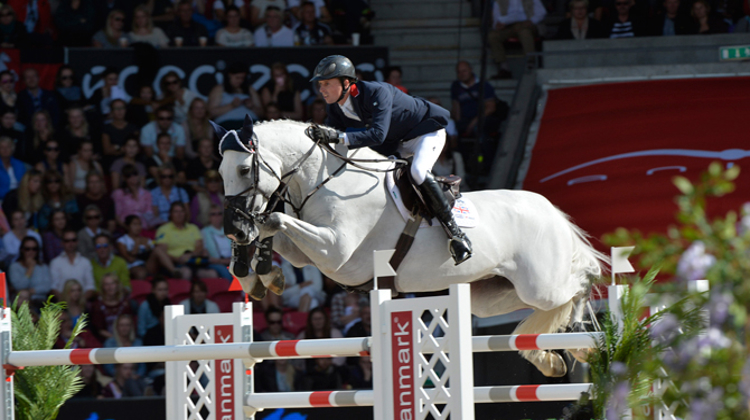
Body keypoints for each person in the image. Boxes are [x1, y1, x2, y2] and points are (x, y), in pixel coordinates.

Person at [308, 55, 472, 265]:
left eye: (327, 84)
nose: (322, 89)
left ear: (347, 82)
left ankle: (457, 235)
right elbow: (336, 141)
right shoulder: (334, 107)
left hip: (426, 132)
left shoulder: (376, 92)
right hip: (398, 143)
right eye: (320, 84)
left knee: (418, 172)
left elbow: (376, 135)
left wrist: (337, 137)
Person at [154, 202, 216, 280]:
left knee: (212, 274)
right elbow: (162, 252)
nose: (179, 214)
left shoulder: (193, 228)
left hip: (193, 261)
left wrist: (190, 255)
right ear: (170, 214)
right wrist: (179, 259)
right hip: (175, 264)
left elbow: (199, 247)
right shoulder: (163, 229)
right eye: (176, 211)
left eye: (181, 211)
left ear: (185, 213)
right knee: (186, 272)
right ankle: (177, 277)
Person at [487, 0, 546, 79]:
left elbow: (542, 12)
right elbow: (496, 19)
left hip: (528, 25)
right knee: (493, 36)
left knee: (524, 32)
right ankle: (504, 67)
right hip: (509, 27)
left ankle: (530, 62)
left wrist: (531, 21)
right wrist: (497, 25)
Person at [207, 62, 263, 129]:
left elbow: (262, 113)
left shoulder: (250, 90)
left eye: (242, 78)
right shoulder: (219, 89)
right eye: (237, 78)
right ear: (230, 75)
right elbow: (210, 112)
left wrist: (252, 107)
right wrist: (231, 105)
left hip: (251, 125)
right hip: (228, 125)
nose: (240, 81)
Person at [49, 228, 96, 300]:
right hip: (62, 306)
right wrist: (66, 303)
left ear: (77, 242)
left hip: (83, 305)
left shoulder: (85, 262)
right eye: (67, 241)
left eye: (73, 240)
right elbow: (54, 288)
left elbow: (90, 287)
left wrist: (80, 302)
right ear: (62, 243)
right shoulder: (55, 263)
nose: (71, 243)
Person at [112, 163, 160, 229]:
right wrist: (128, 228)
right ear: (124, 178)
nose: (132, 178)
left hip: (144, 228)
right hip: (126, 228)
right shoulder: (119, 193)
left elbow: (149, 213)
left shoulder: (146, 194)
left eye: (135, 174)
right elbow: (118, 216)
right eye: (129, 176)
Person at [88, 272, 131, 342]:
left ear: (117, 285)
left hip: (125, 338)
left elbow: (130, 325)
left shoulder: (125, 303)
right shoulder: (97, 305)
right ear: (102, 287)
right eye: (106, 284)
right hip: (106, 341)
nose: (110, 287)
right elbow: (99, 330)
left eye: (112, 283)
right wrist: (115, 339)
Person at [8, 236, 51, 301]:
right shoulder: (14, 267)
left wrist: (29, 291)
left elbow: (47, 286)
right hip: (21, 303)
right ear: (22, 250)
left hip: (40, 302)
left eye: (34, 249)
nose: (31, 251)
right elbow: (19, 286)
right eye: (27, 249)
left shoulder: (43, 267)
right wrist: (30, 268)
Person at [116, 215, 157, 279]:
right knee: (141, 273)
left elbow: (155, 255)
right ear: (128, 226)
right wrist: (137, 244)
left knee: (158, 251)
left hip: (147, 264)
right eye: (135, 224)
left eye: (140, 224)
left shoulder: (147, 239)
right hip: (132, 266)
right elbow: (130, 259)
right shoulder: (122, 240)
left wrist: (149, 250)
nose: (138, 227)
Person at [199, 203, 232, 279]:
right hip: (216, 263)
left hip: (232, 261)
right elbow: (206, 256)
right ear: (208, 217)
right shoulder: (204, 232)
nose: (217, 216)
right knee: (225, 272)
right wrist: (224, 261)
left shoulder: (228, 230)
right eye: (213, 214)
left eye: (219, 214)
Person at [0, 137, 27, 201]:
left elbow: (24, 183)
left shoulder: (19, 164)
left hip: (19, 198)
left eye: (8, 147)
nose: (5, 149)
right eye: (2, 147)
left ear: (12, 149)